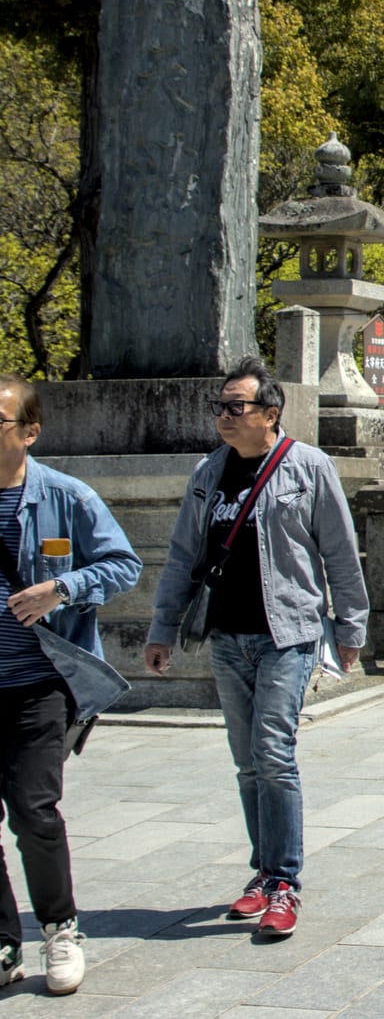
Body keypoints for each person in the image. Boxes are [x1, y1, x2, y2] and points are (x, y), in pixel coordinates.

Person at [145, 357, 367, 941]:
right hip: (225, 635)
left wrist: (350, 630)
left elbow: (340, 554)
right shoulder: (207, 473)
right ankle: (262, 875)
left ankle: (284, 882)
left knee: (273, 750)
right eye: (218, 406)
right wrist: (161, 628)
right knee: (246, 760)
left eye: (235, 407)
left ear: (271, 414)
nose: (223, 416)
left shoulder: (307, 467)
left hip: (287, 634)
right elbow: (182, 556)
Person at [0, 374, 140, 994]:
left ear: (30, 432)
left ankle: (60, 928)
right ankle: (6, 941)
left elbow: (123, 565)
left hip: (40, 683)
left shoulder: (66, 497)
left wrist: (60, 588)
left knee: (33, 810)